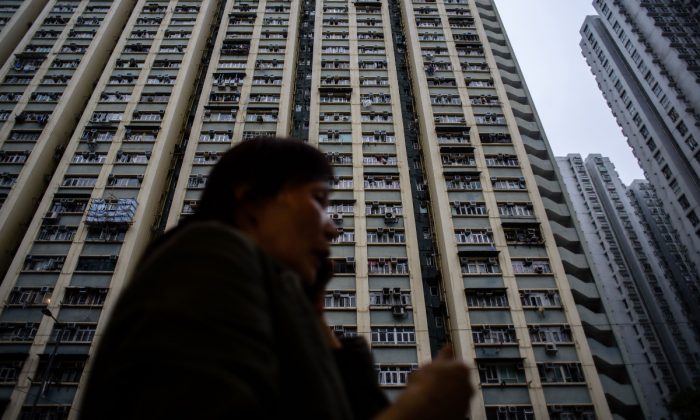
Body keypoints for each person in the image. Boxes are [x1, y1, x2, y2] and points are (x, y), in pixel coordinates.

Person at [79, 137, 472, 419]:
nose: (333, 229)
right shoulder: (209, 251)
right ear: (251, 203)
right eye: (318, 201)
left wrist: (314, 314)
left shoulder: (271, 300)